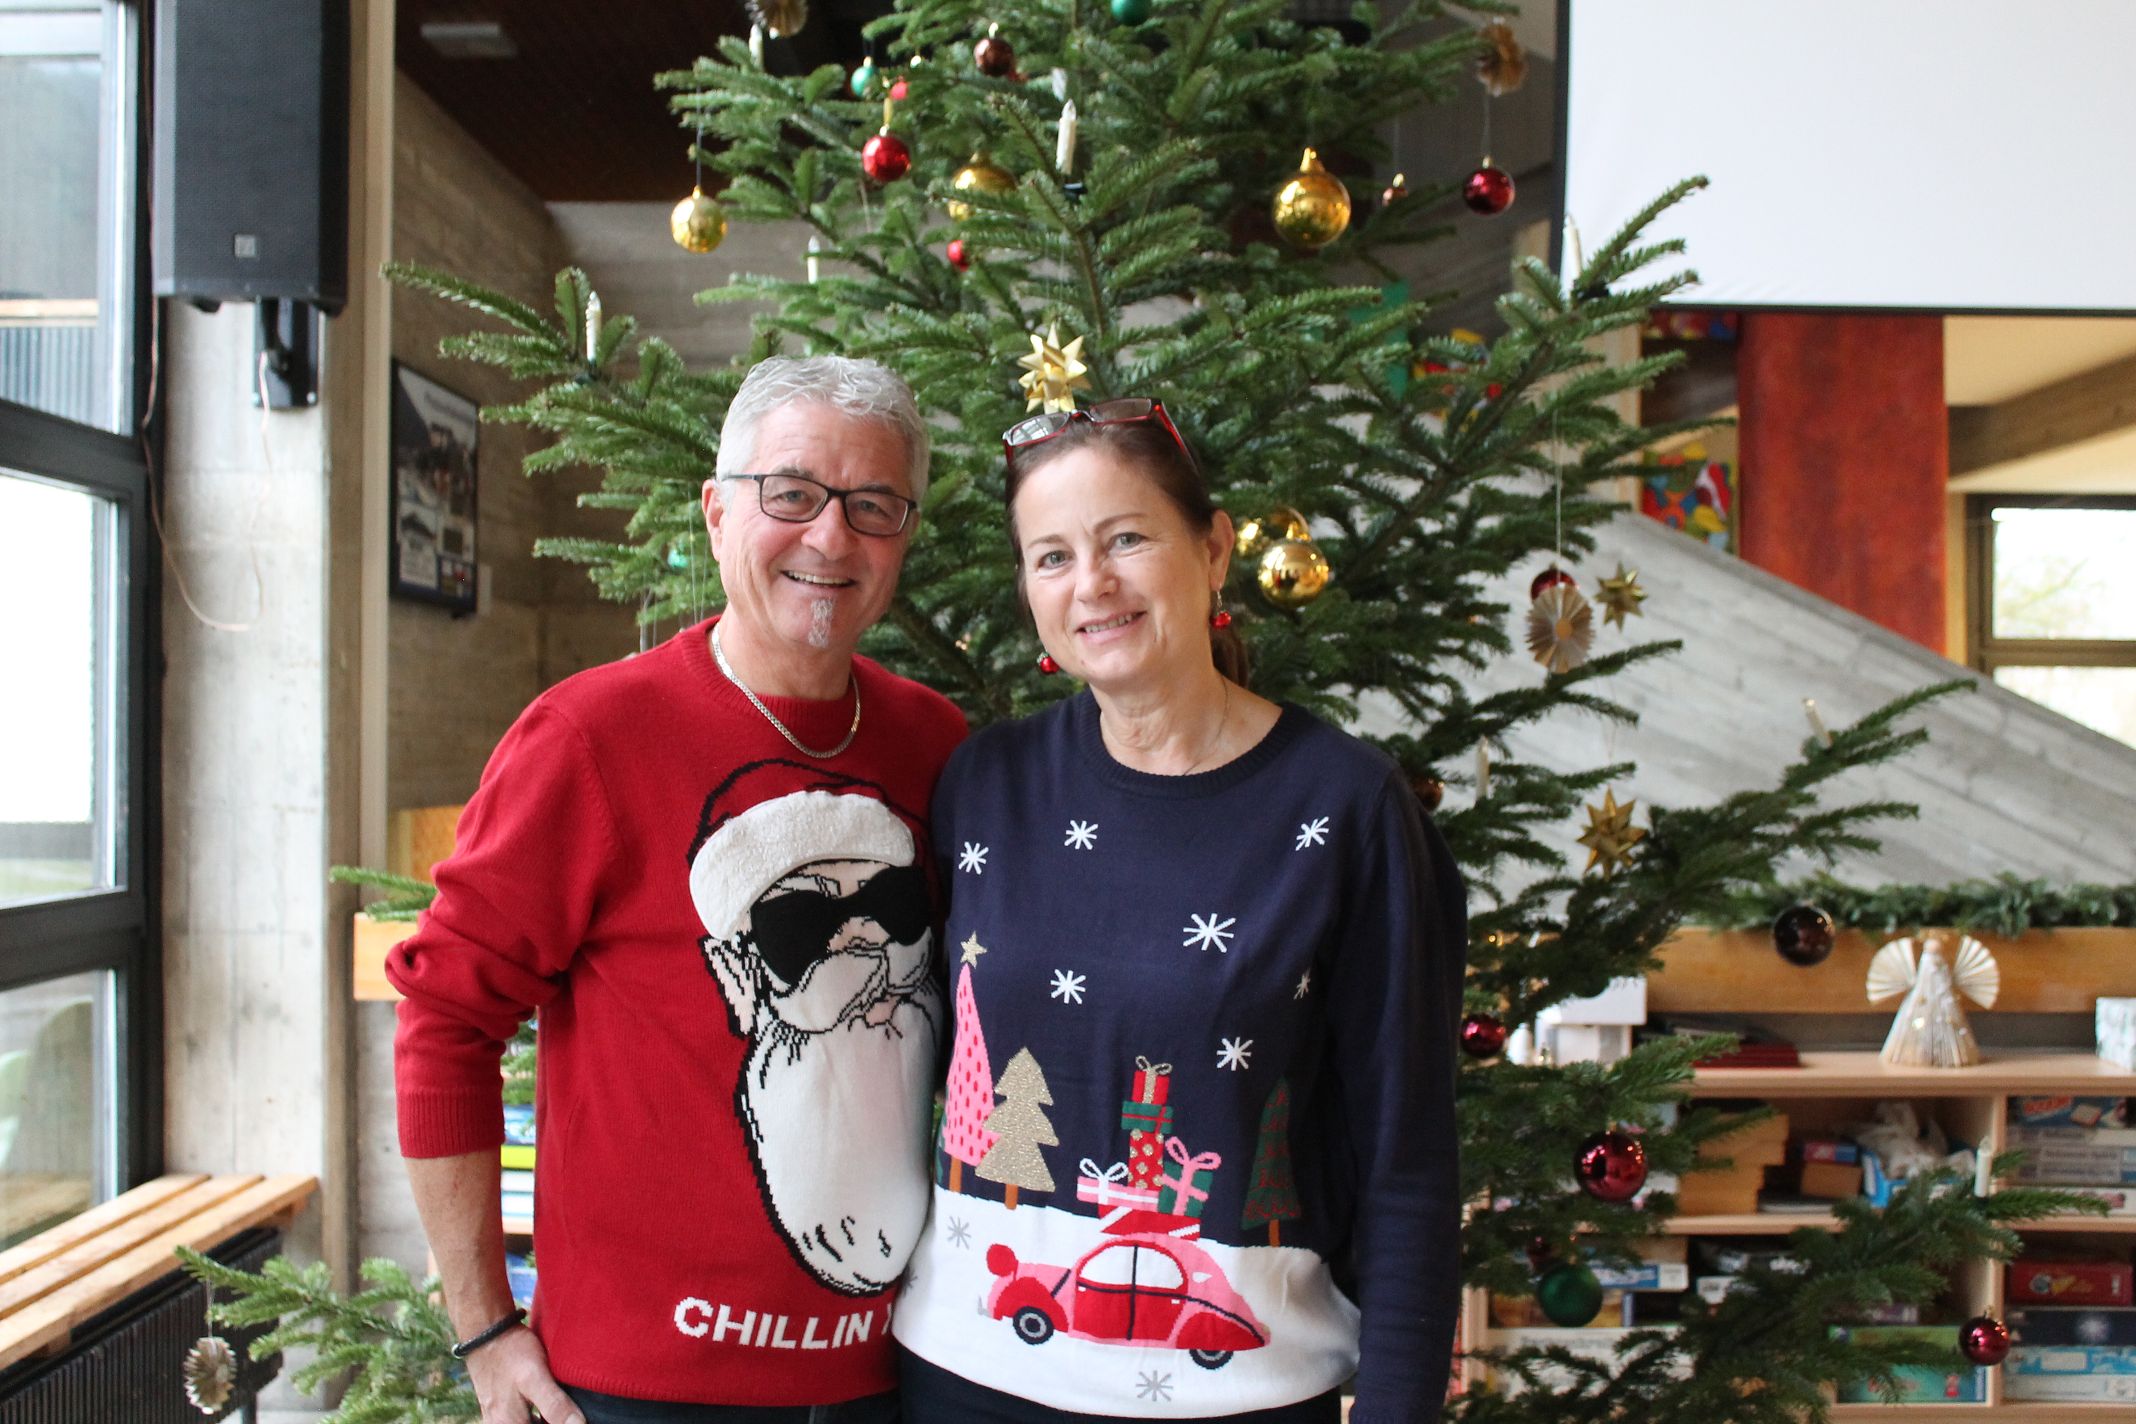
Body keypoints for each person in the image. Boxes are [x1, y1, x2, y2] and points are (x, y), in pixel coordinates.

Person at [387, 356, 967, 1424]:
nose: (830, 537)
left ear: (904, 536)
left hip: (896, 1376)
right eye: (790, 493)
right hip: (634, 1393)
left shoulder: (938, 745)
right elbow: (446, 1019)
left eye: (873, 505)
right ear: (716, 511)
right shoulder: (589, 739)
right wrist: (484, 1326)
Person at [891, 399, 1465, 1423]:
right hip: (963, 1384)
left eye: (1126, 539)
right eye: (1053, 556)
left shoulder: (1349, 809)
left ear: (1214, 548)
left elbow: (1407, 1158)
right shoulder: (984, 784)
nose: (1092, 584)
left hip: (1240, 1395)